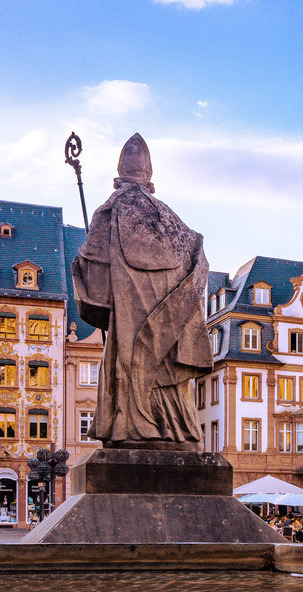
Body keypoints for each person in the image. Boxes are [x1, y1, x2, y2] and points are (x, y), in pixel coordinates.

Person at [71, 132, 212, 446]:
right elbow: (198, 258)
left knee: (130, 365)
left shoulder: (109, 211)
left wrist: (80, 264)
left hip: (130, 326)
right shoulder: (171, 221)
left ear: (120, 175)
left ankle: (131, 427)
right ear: (149, 175)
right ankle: (176, 428)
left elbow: (94, 282)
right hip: (169, 329)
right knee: (164, 372)